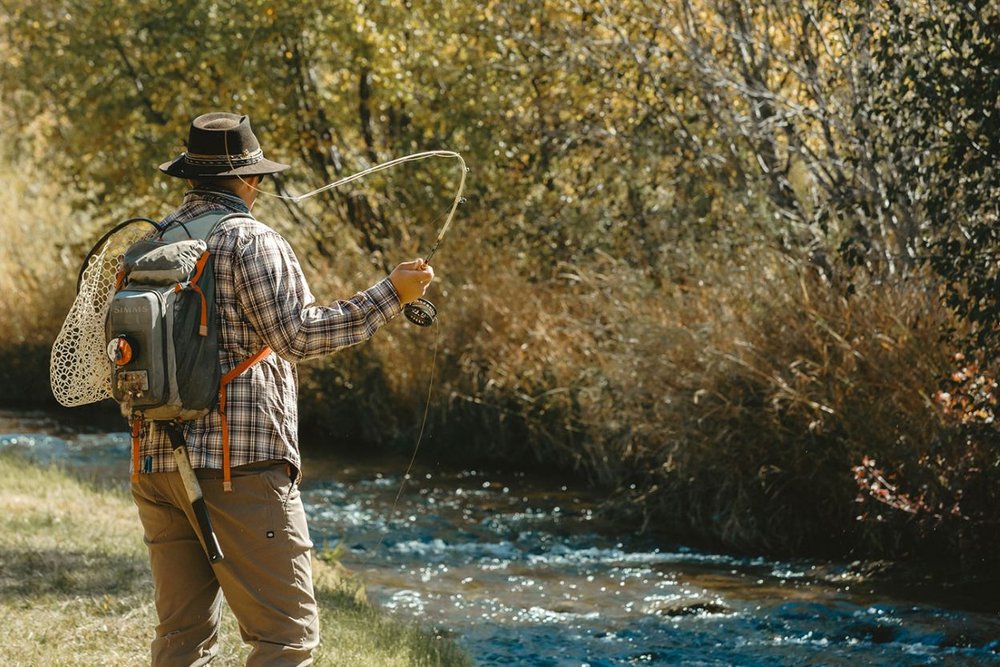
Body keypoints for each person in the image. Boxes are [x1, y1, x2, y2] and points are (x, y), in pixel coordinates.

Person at [130, 111, 434, 666]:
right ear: (249, 180)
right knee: (285, 639)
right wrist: (393, 293)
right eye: (259, 178)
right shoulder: (252, 240)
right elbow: (298, 335)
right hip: (238, 468)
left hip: (155, 463)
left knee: (181, 639)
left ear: (192, 176)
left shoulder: (153, 241)